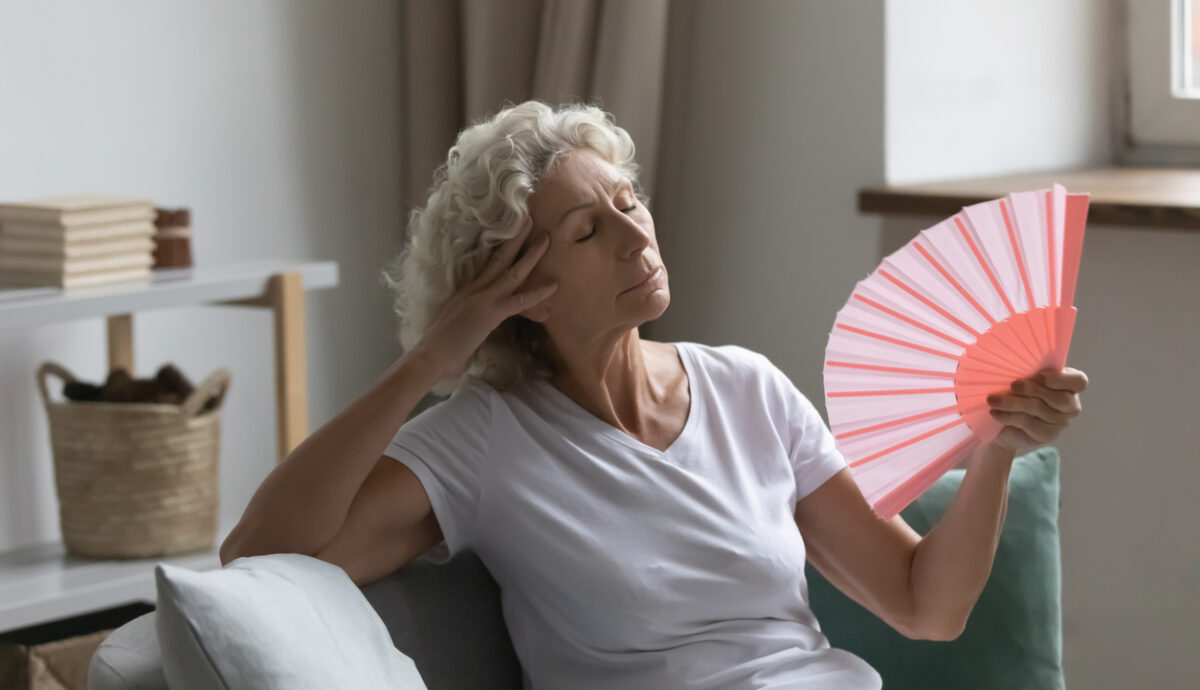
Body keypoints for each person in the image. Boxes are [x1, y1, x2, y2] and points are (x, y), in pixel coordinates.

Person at [220, 100, 1087, 689]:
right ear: (518, 287)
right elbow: (259, 556)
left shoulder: (748, 387)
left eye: (629, 202)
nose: (637, 235)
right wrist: (431, 358)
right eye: (589, 230)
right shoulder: (482, 439)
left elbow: (924, 603)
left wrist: (995, 448)